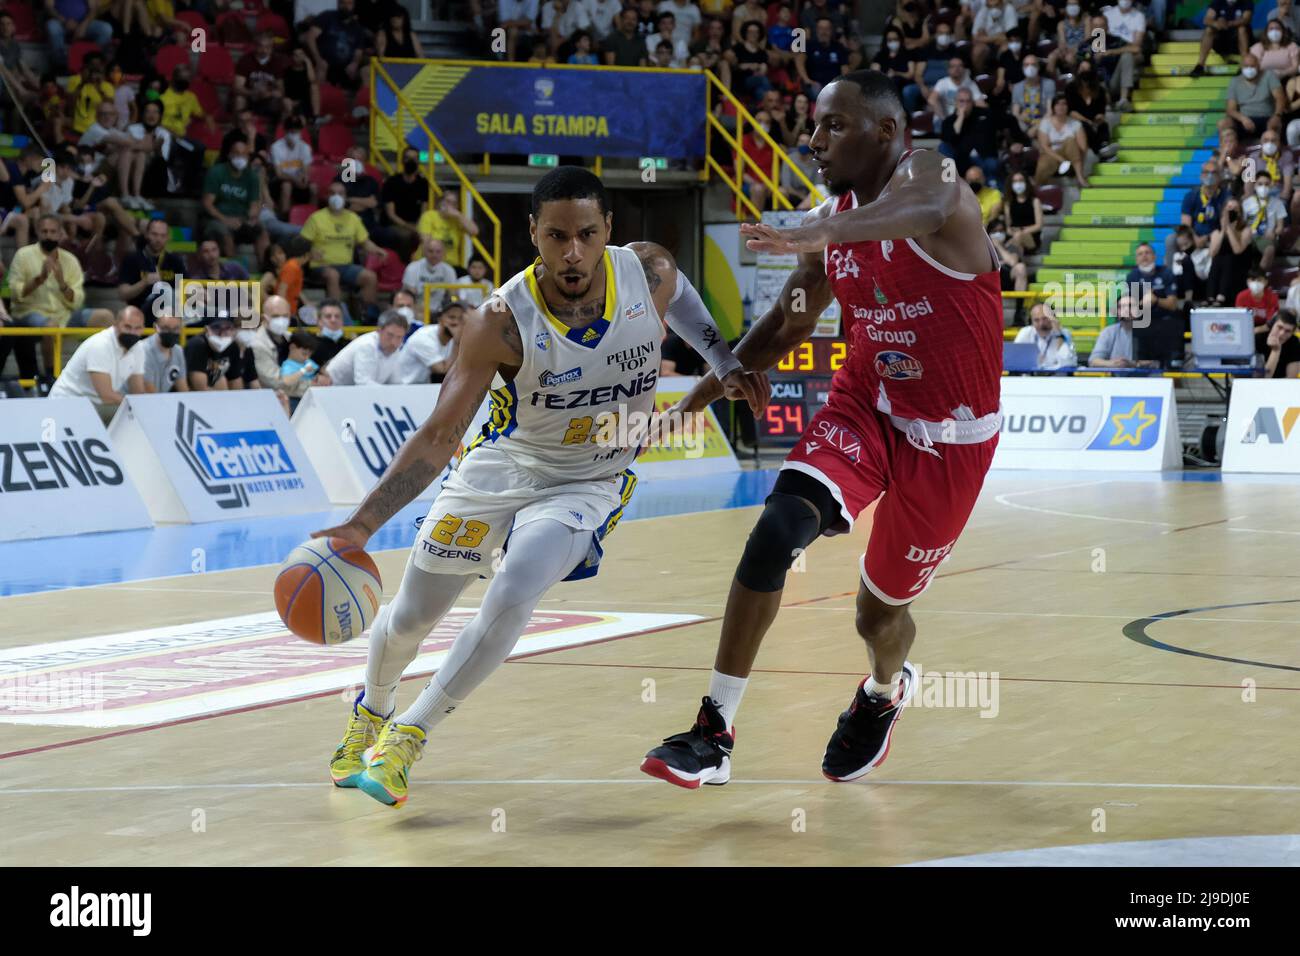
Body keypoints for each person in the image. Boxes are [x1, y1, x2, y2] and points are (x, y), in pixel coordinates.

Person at [313, 165, 763, 807]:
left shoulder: (649, 272)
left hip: (589, 478)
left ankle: (410, 735)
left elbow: (684, 297)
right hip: (502, 469)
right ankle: (373, 711)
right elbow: (441, 434)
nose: (572, 251)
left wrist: (723, 360)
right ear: (533, 234)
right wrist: (362, 523)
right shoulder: (499, 320)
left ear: (609, 229)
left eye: (585, 233)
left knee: (520, 580)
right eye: (556, 236)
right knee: (413, 616)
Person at [637, 72, 1005, 789]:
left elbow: (925, 204)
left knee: (878, 615)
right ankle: (714, 732)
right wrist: (697, 398)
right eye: (813, 125)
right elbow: (786, 323)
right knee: (777, 528)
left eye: (834, 126)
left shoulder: (933, 177)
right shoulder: (832, 224)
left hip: (950, 438)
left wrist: (819, 227)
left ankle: (883, 692)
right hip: (864, 404)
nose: (813, 141)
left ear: (888, 133)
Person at [2, 215, 112, 383]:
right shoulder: (23, 255)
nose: (48, 235)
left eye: (53, 231)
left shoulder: (70, 260)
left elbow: (77, 301)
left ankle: (100, 372)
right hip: (29, 314)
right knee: (51, 325)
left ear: (60, 234)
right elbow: (16, 294)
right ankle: (51, 376)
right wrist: (39, 278)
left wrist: (62, 283)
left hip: (64, 315)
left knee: (105, 317)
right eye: (44, 231)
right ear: (37, 232)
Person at [48, 306, 146, 422]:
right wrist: (136, 407)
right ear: (116, 324)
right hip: (65, 405)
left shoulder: (138, 348)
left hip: (92, 407)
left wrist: (144, 408)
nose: (132, 332)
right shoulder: (100, 345)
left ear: (143, 329)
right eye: (127, 327)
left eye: (137, 328)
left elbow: (138, 391)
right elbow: (106, 395)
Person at [302, 182, 387, 311]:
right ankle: (335, 315)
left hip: (346, 266)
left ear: (345, 196)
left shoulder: (353, 218)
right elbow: (301, 243)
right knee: (333, 275)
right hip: (321, 266)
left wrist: (377, 250)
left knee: (370, 277)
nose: (337, 196)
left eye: (340, 193)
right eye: (332, 193)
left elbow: (365, 242)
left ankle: (366, 315)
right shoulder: (316, 218)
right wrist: (309, 252)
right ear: (327, 196)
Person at [203, 140, 268, 260]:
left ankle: (265, 268)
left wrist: (252, 217)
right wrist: (225, 220)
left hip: (241, 220)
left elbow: (255, 205)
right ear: (229, 155)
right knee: (224, 234)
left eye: (244, 154)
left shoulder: (252, 177)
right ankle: (234, 272)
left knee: (261, 230)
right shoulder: (216, 172)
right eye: (237, 153)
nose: (240, 157)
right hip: (218, 219)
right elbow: (207, 204)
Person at [118, 218, 187, 318]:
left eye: (162, 236)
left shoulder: (175, 260)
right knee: (165, 291)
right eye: (154, 234)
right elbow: (123, 294)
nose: (158, 239)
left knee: (212, 312)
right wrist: (144, 282)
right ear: (146, 235)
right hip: (141, 312)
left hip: (170, 310)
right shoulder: (132, 258)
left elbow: (183, 289)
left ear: (167, 238)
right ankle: (183, 318)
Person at [318, 310, 408, 385]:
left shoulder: (396, 349)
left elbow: (396, 383)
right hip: (329, 391)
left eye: (399, 337)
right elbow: (363, 383)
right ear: (379, 330)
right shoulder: (367, 345)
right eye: (390, 335)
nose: (394, 342)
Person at [399, 300, 463, 383]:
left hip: (423, 388)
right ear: (440, 319)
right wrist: (457, 342)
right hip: (403, 388)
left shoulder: (454, 338)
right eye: (451, 317)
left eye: (460, 318)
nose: (456, 322)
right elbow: (442, 370)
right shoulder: (424, 338)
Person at [1036, 94, 1090, 187]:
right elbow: (1044, 146)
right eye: (1057, 104)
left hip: (1071, 154)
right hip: (1052, 154)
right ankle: (1038, 187)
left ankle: (1080, 177)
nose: (1061, 107)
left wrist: (1081, 164)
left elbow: (1083, 148)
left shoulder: (1076, 124)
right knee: (1043, 164)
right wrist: (1062, 160)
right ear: (1053, 107)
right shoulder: (1045, 123)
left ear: (1068, 107)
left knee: (1070, 141)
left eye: (1064, 104)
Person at [416, 187, 480, 264]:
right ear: (440, 202)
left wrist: (458, 215)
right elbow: (426, 241)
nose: (450, 205)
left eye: (454, 203)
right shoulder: (429, 216)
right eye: (448, 201)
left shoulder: (457, 220)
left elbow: (474, 231)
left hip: (450, 264)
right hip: (429, 261)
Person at [1191, 0, 1255, 76]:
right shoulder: (1218, 2)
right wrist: (1217, 23)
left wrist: (1229, 24)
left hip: (1238, 41)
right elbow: (1207, 20)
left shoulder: (1246, 2)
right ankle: (1200, 65)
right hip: (1222, 42)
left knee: (1242, 29)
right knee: (1209, 30)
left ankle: (1244, 63)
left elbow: (1246, 19)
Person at [1088, 296, 1155, 367]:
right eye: (1121, 307)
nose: (1126, 309)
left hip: (1146, 377)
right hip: (1114, 377)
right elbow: (1093, 361)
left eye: (1130, 306)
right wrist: (1113, 364)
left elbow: (1158, 362)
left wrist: (1134, 364)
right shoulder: (1108, 332)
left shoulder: (1151, 332)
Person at [1227, 54, 1286, 136]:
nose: (1249, 69)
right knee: (1224, 124)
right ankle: (1226, 148)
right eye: (1246, 66)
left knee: (1275, 126)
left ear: (1258, 66)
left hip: (1267, 118)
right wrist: (1243, 119)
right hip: (1244, 119)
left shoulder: (1269, 76)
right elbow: (1231, 109)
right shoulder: (1235, 81)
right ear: (1241, 66)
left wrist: (1277, 116)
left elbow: (1280, 98)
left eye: (1252, 66)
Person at [270, 117, 316, 218]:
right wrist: (294, 179)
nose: (294, 134)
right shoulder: (276, 147)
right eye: (291, 131)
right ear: (285, 131)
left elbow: (305, 169)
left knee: (313, 188)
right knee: (287, 186)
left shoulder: (305, 147)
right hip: (280, 182)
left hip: (297, 181)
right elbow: (279, 174)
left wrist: (304, 178)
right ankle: (285, 217)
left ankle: (313, 218)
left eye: (296, 131)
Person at [184, 314, 245, 390]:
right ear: (207, 330)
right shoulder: (197, 345)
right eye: (216, 328)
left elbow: (235, 381)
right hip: (189, 395)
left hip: (213, 391)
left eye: (228, 328)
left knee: (221, 379)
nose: (222, 334)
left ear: (233, 331)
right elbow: (200, 389)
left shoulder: (233, 347)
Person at [402, 236, 459, 313]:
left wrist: (453, 304)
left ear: (443, 253)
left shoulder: (449, 270)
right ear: (424, 252)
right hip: (417, 309)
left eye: (438, 251)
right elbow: (409, 296)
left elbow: (453, 295)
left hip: (441, 310)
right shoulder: (413, 268)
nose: (434, 255)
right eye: (431, 251)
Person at [134, 312, 188, 393]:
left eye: (176, 328)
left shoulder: (178, 351)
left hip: (157, 401)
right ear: (155, 327)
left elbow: (183, 387)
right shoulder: (143, 350)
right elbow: (149, 391)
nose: (171, 332)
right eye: (166, 328)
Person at [1014, 302, 1077, 369]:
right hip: (1031, 377)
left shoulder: (1064, 333)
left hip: (1056, 377)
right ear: (1031, 322)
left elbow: (1069, 363)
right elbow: (1014, 360)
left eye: (1045, 319)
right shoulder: (1025, 332)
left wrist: (1058, 335)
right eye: (1036, 320)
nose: (1041, 324)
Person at [1255, 308, 1300, 376]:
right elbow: (1261, 379)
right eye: (1279, 327)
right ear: (1272, 325)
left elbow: (1291, 379)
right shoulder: (1258, 339)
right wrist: (1275, 351)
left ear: (1292, 333)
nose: (1282, 333)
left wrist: (1276, 350)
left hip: (1282, 385)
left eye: (1287, 331)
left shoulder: (1294, 342)